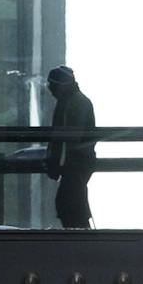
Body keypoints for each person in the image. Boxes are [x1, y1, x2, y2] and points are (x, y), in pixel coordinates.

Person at [44, 65, 96, 228]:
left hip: (75, 164)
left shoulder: (73, 103)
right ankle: (81, 238)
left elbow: (68, 138)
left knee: (69, 203)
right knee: (72, 203)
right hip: (77, 164)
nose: (50, 90)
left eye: (51, 85)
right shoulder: (74, 101)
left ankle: (81, 239)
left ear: (60, 85)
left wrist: (56, 162)